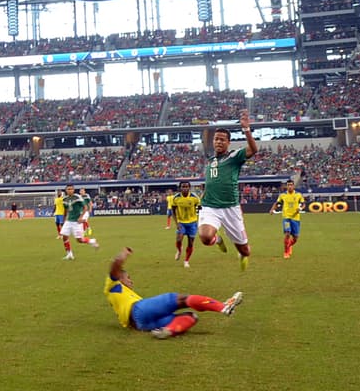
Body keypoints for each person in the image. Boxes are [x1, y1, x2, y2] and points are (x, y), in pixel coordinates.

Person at [104, 247, 242, 339]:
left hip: (140, 324)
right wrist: (122, 256)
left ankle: (168, 331)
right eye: (128, 278)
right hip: (139, 310)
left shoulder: (123, 295)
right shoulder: (112, 285)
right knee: (181, 299)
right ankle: (223, 307)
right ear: (119, 277)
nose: (131, 281)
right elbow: (114, 267)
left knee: (191, 316)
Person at [197, 111, 257, 271]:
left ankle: (243, 256)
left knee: (245, 250)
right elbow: (210, 184)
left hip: (231, 208)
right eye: (216, 139)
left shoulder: (234, 157)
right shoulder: (210, 161)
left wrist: (246, 130)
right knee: (205, 236)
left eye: (222, 140)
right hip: (209, 206)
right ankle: (217, 239)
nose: (218, 142)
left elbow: (253, 149)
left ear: (228, 143)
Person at [59, 185, 99, 259]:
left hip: (76, 222)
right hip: (68, 221)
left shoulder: (77, 197)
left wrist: (80, 217)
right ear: (66, 190)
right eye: (68, 189)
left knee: (80, 240)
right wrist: (64, 220)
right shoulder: (64, 199)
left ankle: (92, 241)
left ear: (73, 190)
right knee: (64, 237)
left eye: (71, 189)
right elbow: (65, 210)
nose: (69, 190)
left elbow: (85, 207)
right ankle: (69, 254)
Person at [271, 179, 305, 258]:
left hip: (296, 218)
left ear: (293, 186)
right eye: (288, 185)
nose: (289, 186)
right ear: (286, 186)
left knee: (296, 238)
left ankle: (289, 245)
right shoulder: (282, 195)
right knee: (287, 234)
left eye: (291, 185)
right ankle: (286, 252)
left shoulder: (298, 195)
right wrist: (272, 209)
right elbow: (277, 203)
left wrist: (300, 209)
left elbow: (303, 204)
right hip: (286, 217)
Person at [170, 181, 201, 267]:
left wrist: (198, 219)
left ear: (189, 188)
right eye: (183, 187)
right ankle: (179, 250)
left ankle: (186, 261)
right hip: (181, 222)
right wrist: (177, 224)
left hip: (192, 223)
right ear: (180, 188)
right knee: (179, 239)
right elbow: (173, 211)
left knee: (190, 243)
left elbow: (199, 210)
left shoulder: (195, 198)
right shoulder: (176, 198)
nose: (185, 188)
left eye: (186, 187)